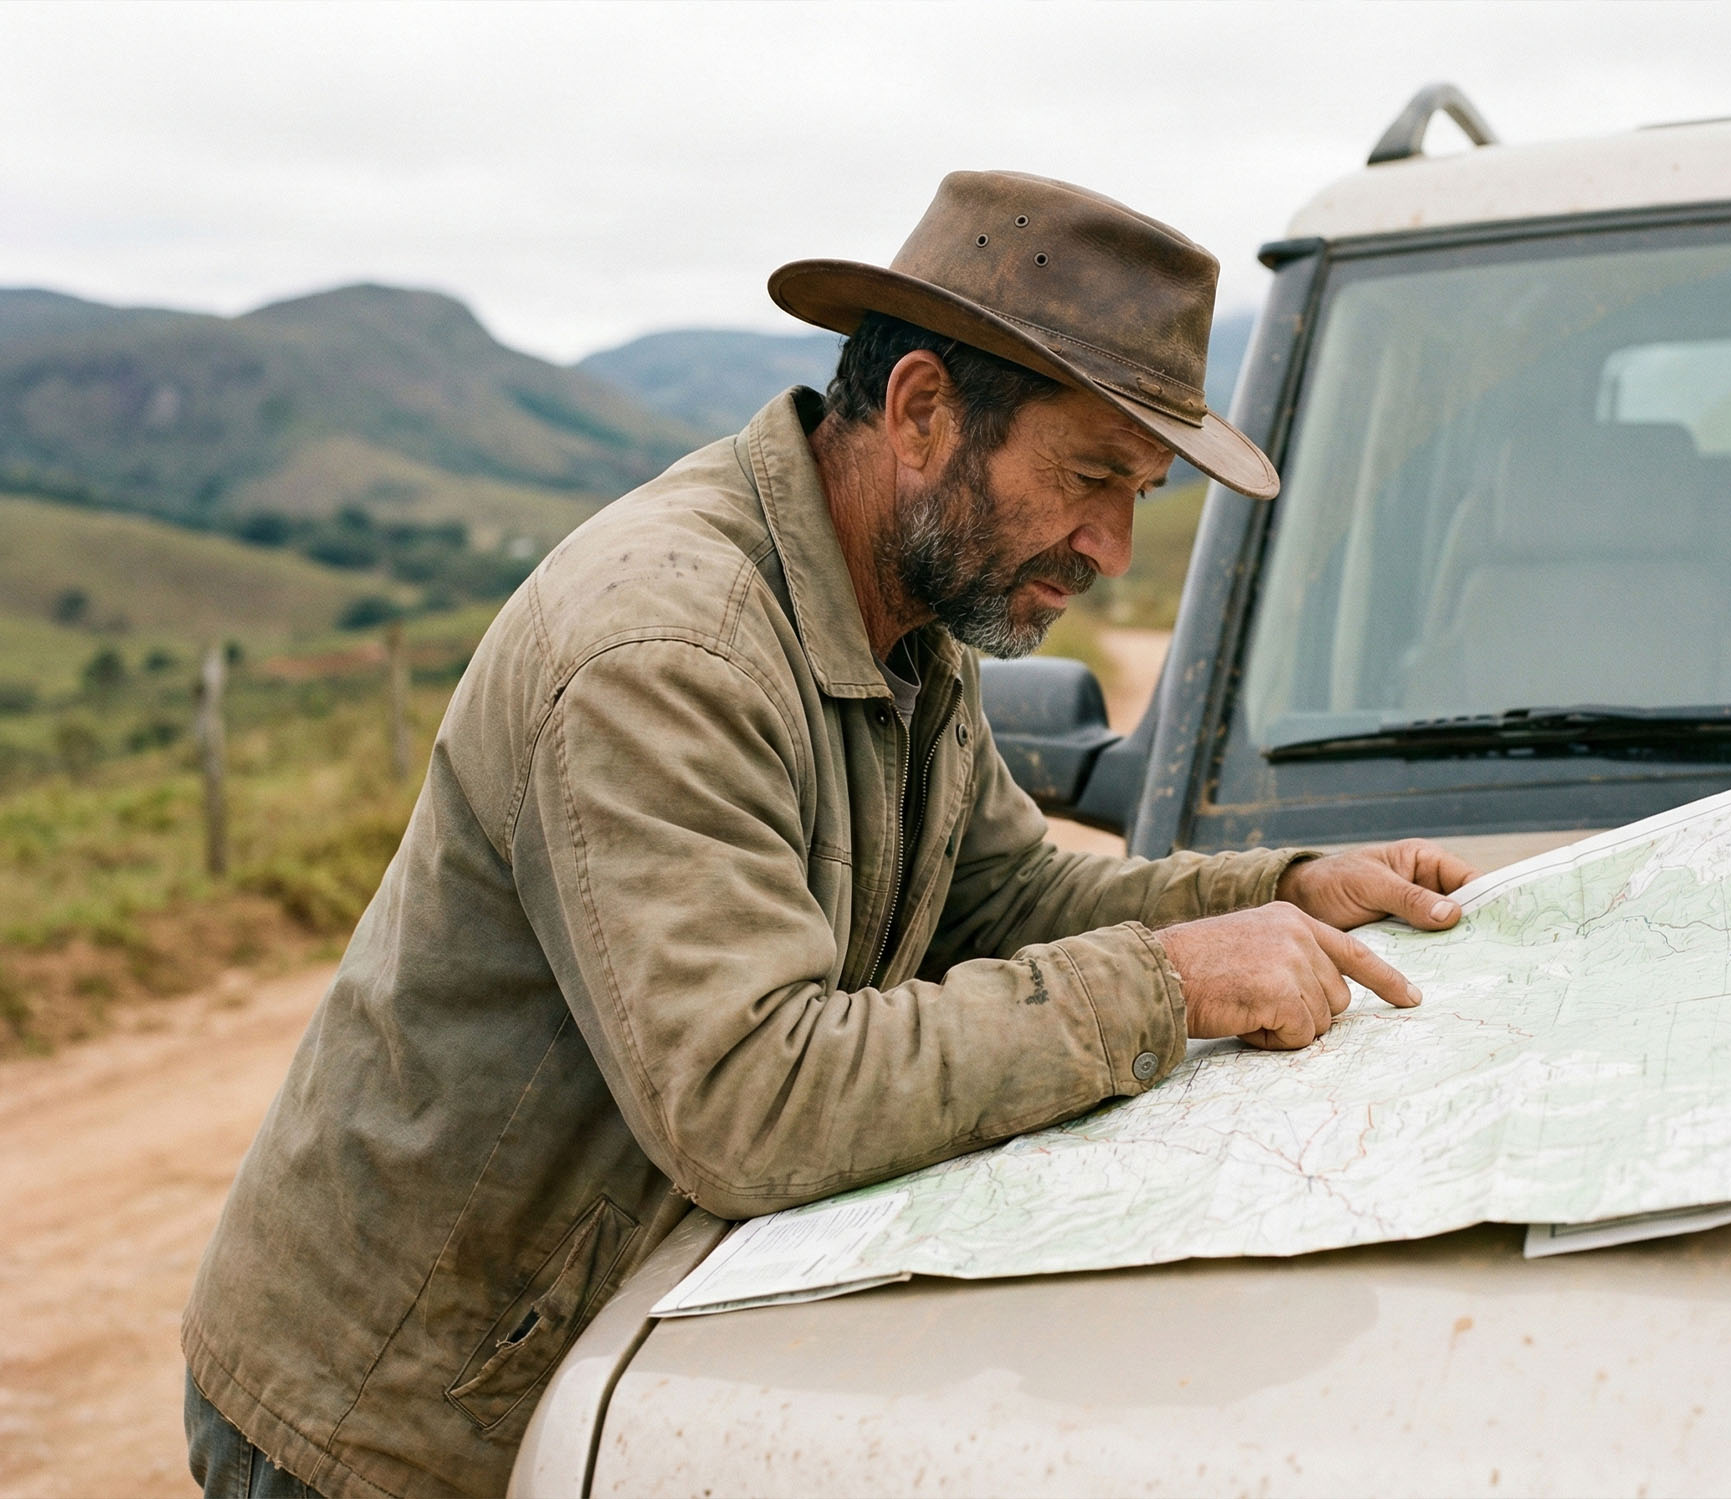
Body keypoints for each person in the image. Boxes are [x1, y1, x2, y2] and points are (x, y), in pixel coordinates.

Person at [182, 170, 1475, 1499]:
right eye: (1090, 476)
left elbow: (1001, 895)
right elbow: (748, 1097)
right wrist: (1171, 983)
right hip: (393, 1423)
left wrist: (1282, 892)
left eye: (1139, 490)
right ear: (922, 412)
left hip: (594, 1370)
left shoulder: (910, 606)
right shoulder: (667, 649)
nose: (1114, 546)